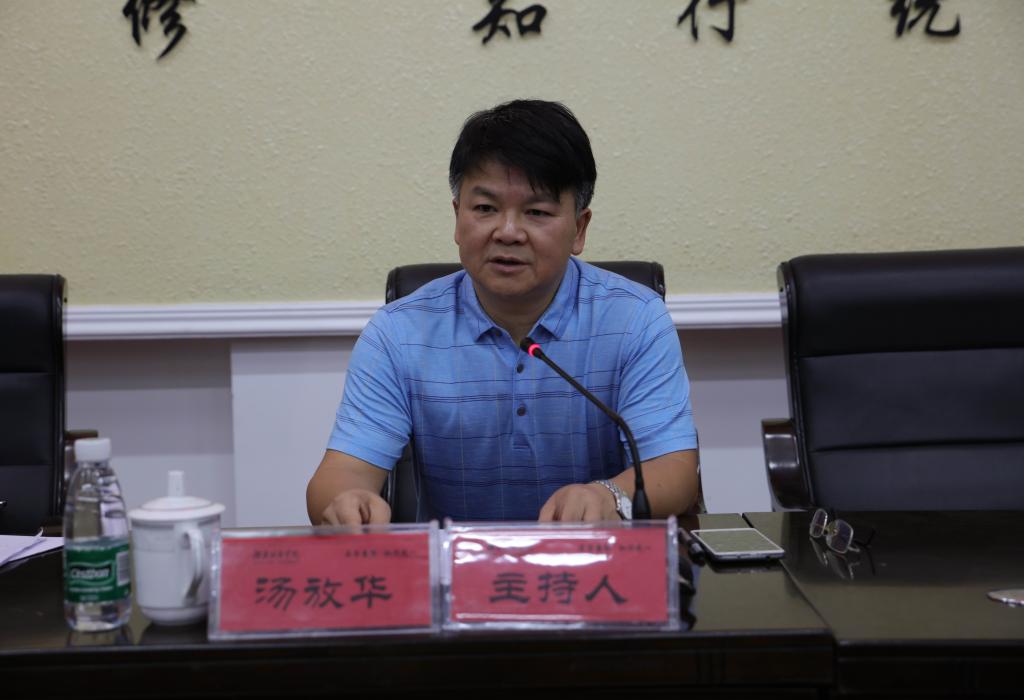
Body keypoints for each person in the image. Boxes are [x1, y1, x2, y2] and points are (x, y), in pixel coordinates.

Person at [306, 99, 698, 525]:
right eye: (485, 208)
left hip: (598, 560)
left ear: (579, 229)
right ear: (458, 217)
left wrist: (609, 496)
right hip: (454, 562)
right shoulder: (398, 333)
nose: (508, 232)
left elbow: (674, 469)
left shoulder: (635, 319)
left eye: (537, 212)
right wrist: (346, 502)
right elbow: (343, 471)